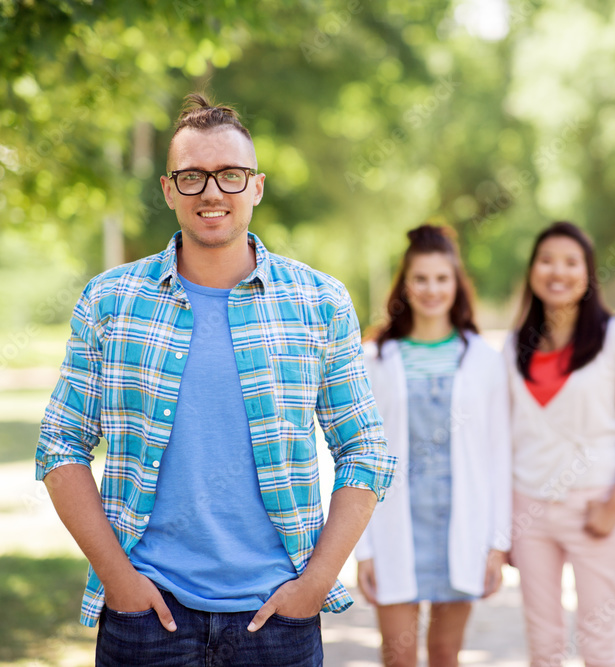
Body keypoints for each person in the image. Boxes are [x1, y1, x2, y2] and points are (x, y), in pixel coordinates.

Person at [35, 93, 396, 667]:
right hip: (146, 618)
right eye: (193, 176)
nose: (211, 192)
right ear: (168, 188)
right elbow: (60, 445)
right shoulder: (109, 301)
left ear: (255, 186)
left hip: (279, 621)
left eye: (230, 175)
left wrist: (314, 585)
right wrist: (119, 580)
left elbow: (366, 450)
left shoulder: (320, 301)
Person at [506, 221, 615, 667]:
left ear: (588, 273)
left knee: (597, 646)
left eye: (571, 262)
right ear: (533, 270)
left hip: (595, 506)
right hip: (528, 510)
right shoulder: (515, 345)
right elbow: (504, 437)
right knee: (543, 644)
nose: (558, 272)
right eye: (546, 260)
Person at [354, 224, 511, 667]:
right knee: (397, 657)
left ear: (456, 285)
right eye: (420, 278)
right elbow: (361, 457)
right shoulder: (375, 359)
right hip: (393, 530)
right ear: (405, 284)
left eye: (442, 279)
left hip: (463, 530)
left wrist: (497, 542)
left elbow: (499, 454)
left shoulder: (481, 358)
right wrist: (362, 548)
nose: (431, 289)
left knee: (445, 655)